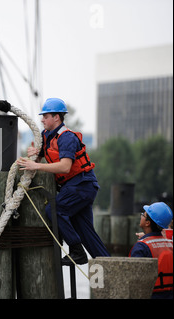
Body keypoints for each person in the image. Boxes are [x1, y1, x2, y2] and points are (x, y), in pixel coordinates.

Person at [17, 98, 110, 266]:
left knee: (55, 211)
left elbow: (66, 167)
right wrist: (35, 154)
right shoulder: (46, 136)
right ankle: (110, 267)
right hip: (76, 187)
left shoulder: (66, 137)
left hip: (82, 185)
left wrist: (36, 164)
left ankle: (77, 251)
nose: (42, 119)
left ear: (57, 118)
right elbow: (43, 155)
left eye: (45, 116)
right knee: (85, 231)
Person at [129, 202, 173, 299]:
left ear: (147, 223)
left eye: (143, 215)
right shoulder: (171, 244)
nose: (141, 216)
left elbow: (134, 279)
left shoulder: (141, 246)